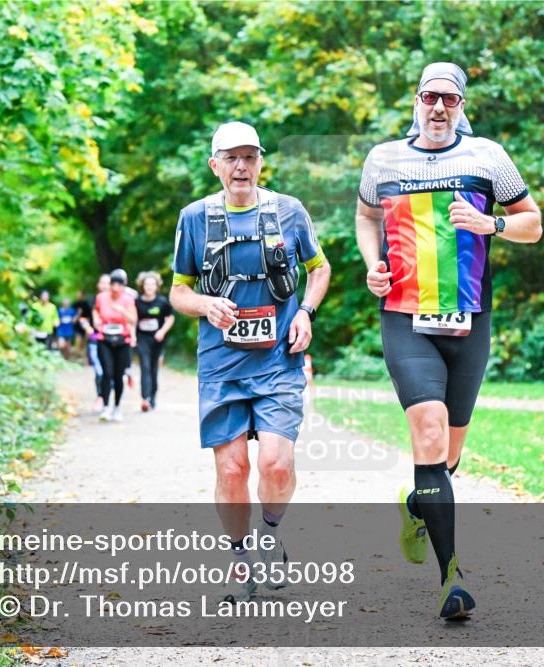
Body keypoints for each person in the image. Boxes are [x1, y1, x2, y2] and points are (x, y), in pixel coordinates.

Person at [355, 62, 542, 620]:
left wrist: (494, 226)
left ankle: (419, 502)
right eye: (430, 97)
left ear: (462, 106)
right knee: (429, 432)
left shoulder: (487, 156)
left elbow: (532, 221)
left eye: (450, 100)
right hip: (404, 314)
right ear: (415, 99)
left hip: (469, 319)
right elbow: (366, 217)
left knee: (448, 453)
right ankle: (451, 578)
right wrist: (372, 265)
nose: (439, 108)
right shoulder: (383, 158)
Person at [170, 121, 331, 604]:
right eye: (232, 157)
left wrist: (306, 311)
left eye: (251, 157)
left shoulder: (289, 211)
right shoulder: (195, 218)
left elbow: (318, 269)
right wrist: (205, 305)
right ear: (214, 164)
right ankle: (240, 559)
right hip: (221, 362)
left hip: (279, 358)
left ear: (261, 162)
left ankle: (271, 535)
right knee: (233, 471)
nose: (242, 166)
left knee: (276, 464)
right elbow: (179, 291)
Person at [92, 269, 138, 422]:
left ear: (124, 286)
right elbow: (95, 311)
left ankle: (117, 407)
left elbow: (133, 320)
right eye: (113, 284)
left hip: (122, 341)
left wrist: (123, 311)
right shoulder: (101, 297)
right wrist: (96, 320)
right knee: (107, 373)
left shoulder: (128, 299)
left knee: (119, 376)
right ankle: (105, 407)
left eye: (119, 284)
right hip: (104, 339)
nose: (116, 287)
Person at [134, 271, 175, 412]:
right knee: (144, 367)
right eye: (147, 284)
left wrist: (162, 331)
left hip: (157, 339)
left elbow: (170, 318)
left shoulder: (162, 301)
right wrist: (133, 336)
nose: (149, 287)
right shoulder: (137, 301)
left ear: (157, 286)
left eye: (152, 284)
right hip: (142, 338)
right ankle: (145, 399)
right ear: (142, 286)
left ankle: (153, 397)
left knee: (153, 368)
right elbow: (133, 320)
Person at [79, 275, 110, 413]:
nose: (104, 285)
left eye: (107, 283)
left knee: (111, 372)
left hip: (112, 341)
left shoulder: (116, 300)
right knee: (100, 371)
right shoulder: (92, 301)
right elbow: (82, 317)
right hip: (95, 340)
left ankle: (108, 397)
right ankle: (100, 397)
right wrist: (87, 328)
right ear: (98, 285)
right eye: (102, 282)